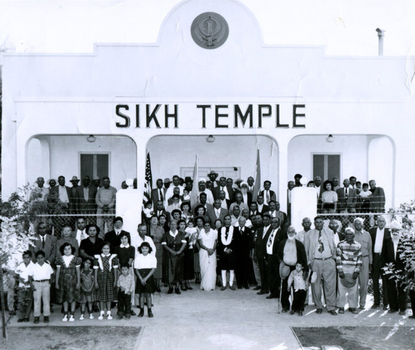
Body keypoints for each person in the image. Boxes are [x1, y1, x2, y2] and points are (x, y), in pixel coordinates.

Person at [304, 216, 338, 315]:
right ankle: (318, 306)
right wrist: (308, 262)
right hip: (316, 261)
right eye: (317, 222)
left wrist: (333, 259)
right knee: (316, 286)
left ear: (323, 223)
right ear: (314, 224)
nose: (319, 224)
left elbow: (334, 246)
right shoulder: (309, 234)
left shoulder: (330, 232)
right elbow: (306, 249)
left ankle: (331, 307)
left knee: (330, 285)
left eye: (321, 222)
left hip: (328, 260)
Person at [278, 226, 307, 312]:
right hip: (285, 268)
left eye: (292, 232)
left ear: (295, 233)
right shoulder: (282, 243)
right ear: (287, 233)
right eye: (289, 232)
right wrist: (281, 263)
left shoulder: (299, 244)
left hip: (296, 268)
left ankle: (297, 308)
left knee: (297, 289)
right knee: (285, 287)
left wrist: (302, 269)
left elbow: (303, 257)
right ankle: (285, 306)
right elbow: (278, 255)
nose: (291, 233)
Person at [336, 228, 362, 314]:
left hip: (353, 268)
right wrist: (340, 270)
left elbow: (359, 259)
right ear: (345, 235)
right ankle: (341, 306)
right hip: (343, 267)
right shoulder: (340, 244)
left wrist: (357, 271)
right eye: (347, 234)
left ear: (353, 235)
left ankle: (353, 306)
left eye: (350, 234)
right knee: (341, 288)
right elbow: (338, 258)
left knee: (353, 288)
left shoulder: (358, 245)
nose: (348, 236)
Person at [382, 221, 406, 314]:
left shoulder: (404, 240)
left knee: (402, 287)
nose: (395, 232)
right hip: (390, 267)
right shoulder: (387, 240)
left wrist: (405, 269)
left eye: (397, 230)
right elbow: (383, 255)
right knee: (391, 287)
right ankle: (393, 307)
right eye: (393, 230)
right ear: (391, 231)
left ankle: (403, 309)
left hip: (402, 268)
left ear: (400, 231)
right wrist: (385, 268)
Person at [55, 243, 82, 322]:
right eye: (65, 249)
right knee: (65, 298)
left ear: (71, 250)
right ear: (62, 250)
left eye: (69, 249)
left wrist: (78, 282)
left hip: (73, 281)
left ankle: (72, 314)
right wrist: (56, 283)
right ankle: (65, 313)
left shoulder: (76, 259)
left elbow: (78, 272)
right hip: (63, 281)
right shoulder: (59, 259)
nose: (67, 251)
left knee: (72, 298)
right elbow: (58, 272)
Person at [369, 215, 390, 309]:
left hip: (385, 258)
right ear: (376, 222)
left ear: (385, 223)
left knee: (385, 281)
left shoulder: (388, 231)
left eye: (383, 221)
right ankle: (376, 302)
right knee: (375, 280)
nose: (381, 222)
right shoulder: (372, 231)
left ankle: (386, 303)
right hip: (375, 257)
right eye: (379, 221)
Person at [94, 242, 119, 320]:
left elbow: (115, 270)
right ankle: (101, 312)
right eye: (104, 248)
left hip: (110, 278)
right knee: (102, 295)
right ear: (101, 249)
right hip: (100, 278)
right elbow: (95, 271)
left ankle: (109, 312)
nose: (106, 250)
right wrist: (95, 281)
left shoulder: (113, 258)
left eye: (107, 248)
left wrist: (115, 280)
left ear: (110, 249)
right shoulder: (97, 258)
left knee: (109, 295)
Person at [28, 250, 54, 324]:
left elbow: (52, 274)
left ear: (44, 258)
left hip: (46, 283)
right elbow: (29, 276)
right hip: (36, 283)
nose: (40, 259)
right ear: (36, 259)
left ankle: (46, 316)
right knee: (37, 300)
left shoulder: (47, 266)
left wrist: (50, 283)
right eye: (38, 258)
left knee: (46, 300)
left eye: (41, 258)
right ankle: (36, 316)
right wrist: (31, 285)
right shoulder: (34, 266)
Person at [161, 220, 187, 294]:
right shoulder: (166, 234)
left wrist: (179, 251)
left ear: (177, 225)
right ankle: (170, 287)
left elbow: (184, 243)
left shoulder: (181, 234)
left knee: (178, 271)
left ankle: (177, 287)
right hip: (169, 255)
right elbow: (164, 245)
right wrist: (171, 251)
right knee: (169, 271)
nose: (173, 226)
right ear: (169, 225)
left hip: (179, 255)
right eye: (171, 224)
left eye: (174, 224)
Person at [353, 218, 373, 309]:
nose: (358, 225)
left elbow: (370, 249)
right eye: (356, 224)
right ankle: (353, 304)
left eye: (359, 224)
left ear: (362, 225)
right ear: (354, 225)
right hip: (354, 260)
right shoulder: (351, 234)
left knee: (364, 283)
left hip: (365, 259)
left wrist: (370, 263)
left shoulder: (367, 234)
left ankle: (362, 303)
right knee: (354, 283)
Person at [265, 217, 287, 300]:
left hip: (277, 257)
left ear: (279, 223)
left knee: (278, 276)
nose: (273, 224)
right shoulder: (270, 231)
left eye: (275, 222)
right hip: (269, 256)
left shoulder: (282, 233)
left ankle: (278, 293)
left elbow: (283, 246)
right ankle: (273, 292)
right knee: (271, 275)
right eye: (272, 222)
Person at [135, 242, 157, 318]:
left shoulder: (152, 257)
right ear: (140, 249)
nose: (144, 250)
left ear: (149, 249)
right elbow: (136, 269)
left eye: (146, 248)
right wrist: (141, 278)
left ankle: (149, 310)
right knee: (141, 294)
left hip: (149, 277)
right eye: (143, 248)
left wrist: (146, 278)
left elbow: (153, 269)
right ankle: (141, 310)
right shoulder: (138, 257)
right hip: (140, 276)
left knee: (148, 294)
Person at [217, 215, 237, 290]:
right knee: (223, 268)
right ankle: (224, 284)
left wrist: (231, 249)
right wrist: (225, 249)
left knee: (232, 268)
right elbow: (219, 241)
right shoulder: (220, 229)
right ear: (224, 220)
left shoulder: (235, 229)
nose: (227, 220)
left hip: (232, 252)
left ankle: (231, 284)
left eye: (229, 219)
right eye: (226, 219)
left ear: (230, 220)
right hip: (223, 251)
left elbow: (236, 242)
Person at [198, 221, 218, 291]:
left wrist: (212, 250)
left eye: (208, 225)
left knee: (211, 267)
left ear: (210, 226)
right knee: (204, 267)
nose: (207, 227)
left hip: (212, 252)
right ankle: (204, 285)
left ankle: (211, 285)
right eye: (205, 226)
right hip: (203, 252)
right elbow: (200, 244)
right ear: (204, 226)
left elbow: (215, 242)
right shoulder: (201, 233)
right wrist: (207, 249)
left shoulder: (214, 232)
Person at [15, 250, 35, 322]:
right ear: (22, 258)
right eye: (24, 258)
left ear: (30, 258)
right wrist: (20, 279)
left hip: (29, 286)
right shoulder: (20, 265)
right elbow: (16, 274)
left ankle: (27, 316)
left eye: (28, 257)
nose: (26, 259)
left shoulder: (33, 266)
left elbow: (35, 276)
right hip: (22, 286)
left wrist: (29, 281)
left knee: (28, 302)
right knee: (21, 301)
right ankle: (21, 316)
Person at [254, 213, 272, 295]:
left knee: (269, 273)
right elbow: (257, 243)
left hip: (268, 255)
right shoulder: (259, 230)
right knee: (262, 272)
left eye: (266, 220)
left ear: (270, 220)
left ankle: (271, 289)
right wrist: (255, 254)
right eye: (263, 220)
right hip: (260, 254)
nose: (265, 221)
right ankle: (264, 288)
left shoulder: (272, 230)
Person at [234, 217, 252, 289]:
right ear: (238, 222)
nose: (241, 223)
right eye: (240, 221)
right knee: (238, 268)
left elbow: (250, 242)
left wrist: (250, 251)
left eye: (243, 221)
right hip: (237, 252)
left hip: (245, 252)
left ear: (245, 222)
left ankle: (245, 283)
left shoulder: (248, 230)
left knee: (245, 268)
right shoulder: (234, 230)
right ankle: (239, 283)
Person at [149, 216, 164, 292]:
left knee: (158, 265)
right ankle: (152, 284)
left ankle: (158, 284)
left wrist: (156, 239)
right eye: (153, 219)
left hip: (159, 247)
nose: (154, 220)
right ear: (150, 220)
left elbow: (163, 238)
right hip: (150, 248)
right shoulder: (148, 228)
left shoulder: (161, 228)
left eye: (156, 219)